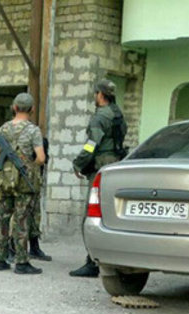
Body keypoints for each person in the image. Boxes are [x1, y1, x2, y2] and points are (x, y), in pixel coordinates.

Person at [69, 78, 127, 277]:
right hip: (116, 166)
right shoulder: (118, 114)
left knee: (92, 214)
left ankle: (92, 262)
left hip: (101, 168)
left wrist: (78, 163)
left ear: (100, 95)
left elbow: (91, 145)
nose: (94, 97)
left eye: (95, 94)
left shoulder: (99, 117)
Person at [0, 93, 46, 275]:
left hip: (4, 182)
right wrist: (28, 164)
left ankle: (0, 259)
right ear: (31, 110)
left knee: (3, 219)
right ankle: (21, 262)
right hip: (25, 183)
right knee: (22, 221)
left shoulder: (3, 129)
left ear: (14, 108)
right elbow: (41, 158)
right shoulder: (33, 131)